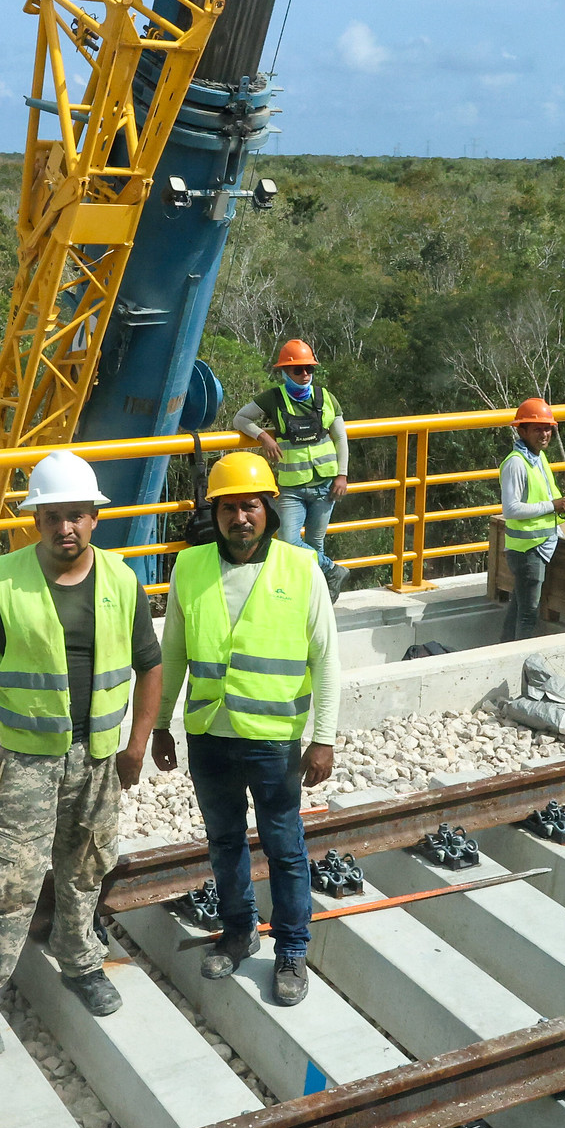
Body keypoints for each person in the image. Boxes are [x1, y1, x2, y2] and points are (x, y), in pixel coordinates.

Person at [0, 448, 164, 1060]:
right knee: (8, 880)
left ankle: (80, 961)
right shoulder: (5, 579)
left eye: (77, 516)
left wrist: (136, 744)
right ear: (36, 520)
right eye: (53, 517)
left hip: (97, 757)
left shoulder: (121, 580)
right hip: (29, 761)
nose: (66, 528)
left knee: (86, 867)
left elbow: (151, 666)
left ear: (95, 517)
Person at [151, 450, 339, 1008]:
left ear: (269, 510)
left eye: (250, 506)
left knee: (284, 843)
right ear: (216, 513)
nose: (240, 518)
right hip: (209, 732)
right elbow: (175, 651)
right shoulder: (190, 567)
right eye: (229, 507)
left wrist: (323, 737)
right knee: (225, 841)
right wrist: (161, 724)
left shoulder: (301, 568)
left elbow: (325, 658)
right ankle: (237, 932)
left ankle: (291, 950)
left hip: (272, 737)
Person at [235, 339, 353, 599]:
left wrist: (342, 474)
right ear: (285, 372)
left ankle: (315, 594)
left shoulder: (325, 397)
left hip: (325, 485)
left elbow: (341, 438)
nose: (304, 375)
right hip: (292, 487)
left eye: (309, 369)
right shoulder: (273, 398)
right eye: (297, 370)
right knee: (289, 540)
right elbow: (240, 418)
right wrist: (263, 437)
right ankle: (332, 569)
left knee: (314, 544)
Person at [498, 397, 565, 642]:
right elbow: (511, 509)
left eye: (548, 428)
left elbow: (549, 493)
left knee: (518, 606)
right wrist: (551, 506)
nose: (544, 433)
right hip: (527, 549)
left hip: (537, 545)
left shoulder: (538, 458)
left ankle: (504, 651)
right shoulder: (516, 464)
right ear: (521, 430)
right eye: (537, 429)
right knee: (528, 614)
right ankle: (520, 663)